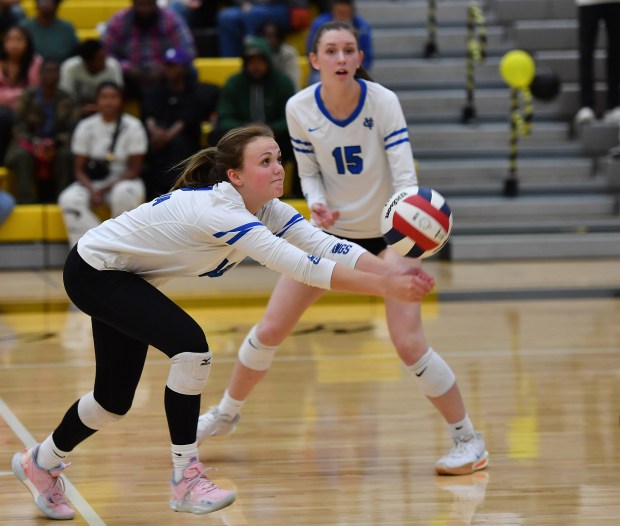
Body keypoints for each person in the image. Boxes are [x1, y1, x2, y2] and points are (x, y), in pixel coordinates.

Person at [11, 122, 435, 520]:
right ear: (235, 175)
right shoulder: (221, 211)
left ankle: (40, 463)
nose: (277, 168)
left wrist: (394, 273)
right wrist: (386, 289)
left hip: (122, 275)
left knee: (112, 402)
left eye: (277, 158)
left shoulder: (267, 208)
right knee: (191, 348)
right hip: (93, 271)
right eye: (264, 162)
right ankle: (185, 479)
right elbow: (302, 267)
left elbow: (325, 245)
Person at [197, 21, 489, 477]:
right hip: (329, 236)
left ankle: (468, 439)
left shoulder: (383, 101)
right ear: (314, 60)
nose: (339, 58)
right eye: (329, 51)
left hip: (391, 235)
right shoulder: (298, 107)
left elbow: (405, 175)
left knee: (409, 342)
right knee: (270, 329)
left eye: (348, 50)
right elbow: (309, 170)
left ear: (358, 59)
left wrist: (405, 230)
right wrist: (315, 202)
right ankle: (226, 414)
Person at [58, 81, 147, 247]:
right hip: (92, 180)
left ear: (121, 101)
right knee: (68, 199)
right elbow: (78, 169)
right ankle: (89, 249)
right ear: (96, 101)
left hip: (123, 178)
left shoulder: (133, 126)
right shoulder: (85, 126)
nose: (108, 102)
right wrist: (92, 189)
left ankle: (122, 248)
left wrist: (105, 189)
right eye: (104, 97)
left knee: (124, 194)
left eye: (113, 97)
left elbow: (135, 169)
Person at [209, 36, 297, 192]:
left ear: (268, 61)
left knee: (299, 140)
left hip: (275, 136)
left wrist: (267, 128)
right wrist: (247, 129)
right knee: (216, 135)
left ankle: (299, 193)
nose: (255, 66)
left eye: (259, 61)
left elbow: (291, 118)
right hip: (241, 137)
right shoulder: (234, 82)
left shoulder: (282, 82)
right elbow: (224, 116)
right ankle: (219, 190)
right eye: (251, 61)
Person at [141, 46, 219, 200]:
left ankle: (178, 193)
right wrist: (155, 132)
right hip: (157, 137)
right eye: (168, 66)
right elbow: (148, 114)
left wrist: (168, 136)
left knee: (178, 144)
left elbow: (187, 119)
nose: (170, 70)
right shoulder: (155, 90)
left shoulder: (194, 92)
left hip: (184, 139)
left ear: (183, 68)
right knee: (148, 147)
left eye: (174, 66)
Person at [4, 58, 77, 203]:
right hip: (29, 143)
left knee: (66, 155)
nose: (51, 75)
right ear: (40, 74)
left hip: (57, 145)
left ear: (60, 75)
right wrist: (36, 143)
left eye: (55, 71)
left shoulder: (67, 98)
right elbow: (18, 126)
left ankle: (62, 202)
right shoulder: (27, 96)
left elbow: (73, 129)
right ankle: (26, 203)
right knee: (21, 155)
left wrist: (54, 143)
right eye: (47, 71)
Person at [102, 0, 197, 100]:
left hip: (164, 75)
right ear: (133, 3)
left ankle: (182, 108)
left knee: (189, 70)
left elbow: (188, 50)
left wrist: (165, 67)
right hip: (129, 77)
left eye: (149, 4)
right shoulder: (119, 21)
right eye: (141, 4)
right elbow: (105, 53)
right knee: (108, 71)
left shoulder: (171, 19)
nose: (145, 10)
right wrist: (128, 68)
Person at [305, 0, 372, 85]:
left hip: (355, 69)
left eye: (349, 50)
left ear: (351, 11)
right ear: (333, 11)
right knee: (316, 78)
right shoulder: (319, 24)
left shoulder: (362, 26)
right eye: (331, 51)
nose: (342, 18)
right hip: (322, 70)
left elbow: (367, 56)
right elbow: (311, 50)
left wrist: (355, 69)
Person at [574, 0, 620, 125]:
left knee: (616, 51)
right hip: (588, 2)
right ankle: (586, 105)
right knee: (586, 52)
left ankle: (614, 105)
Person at [0, 25, 41, 163]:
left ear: (27, 43)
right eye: (10, 40)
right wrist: (19, 94)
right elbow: (24, 93)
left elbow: (33, 94)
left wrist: (6, 97)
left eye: (19, 40)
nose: (14, 44)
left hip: (27, 112)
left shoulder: (36, 62)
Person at [59, 39, 124, 118]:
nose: (105, 61)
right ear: (88, 61)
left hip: (105, 107)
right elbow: (65, 95)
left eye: (104, 57)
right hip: (77, 108)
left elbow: (118, 94)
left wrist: (99, 107)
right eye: (100, 59)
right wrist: (80, 109)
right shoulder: (69, 67)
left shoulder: (113, 66)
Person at [216, 0, 290, 58]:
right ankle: (230, 63)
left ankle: (251, 54)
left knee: (251, 14)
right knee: (225, 17)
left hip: (279, 6)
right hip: (250, 7)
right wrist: (243, 3)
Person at [257, 19, 302, 92]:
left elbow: (293, 82)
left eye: (273, 36)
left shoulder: (288, 53)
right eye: (266, 36)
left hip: (283, 93)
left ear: (279, 37)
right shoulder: (255, 53)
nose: (269, 40)